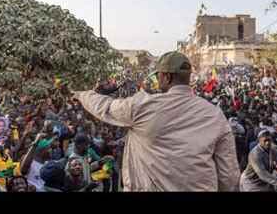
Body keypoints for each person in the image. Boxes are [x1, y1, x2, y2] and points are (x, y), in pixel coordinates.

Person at [72, 51, 240, 191]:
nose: (157, 81)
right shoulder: (214, 114)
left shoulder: (143, 106)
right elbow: (229, 176)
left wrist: (80, 94)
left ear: (166, 77)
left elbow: (105, 107)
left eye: (158, 76)